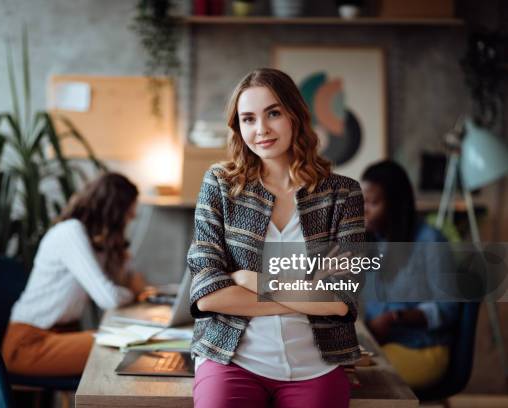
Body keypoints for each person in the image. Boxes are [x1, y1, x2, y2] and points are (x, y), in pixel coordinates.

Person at [187, 68, 365, 408]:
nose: (261, 129)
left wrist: (251, 280)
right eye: (248, 119)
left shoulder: (343, 194)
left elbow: (342, 298)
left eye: (273, 113)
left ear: (295, 115)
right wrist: (308, 296)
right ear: (238, 127)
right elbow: (207, 295)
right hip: (232, 359)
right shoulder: (222, 185)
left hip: (317, 364)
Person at [2, 172, 145, 376]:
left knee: (123, 345)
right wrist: (132, 292)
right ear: (114, 212)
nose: (128, 223)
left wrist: (118, 253)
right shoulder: (70, 232)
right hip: (28, 343)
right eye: (128, 216)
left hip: (60, 336)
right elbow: (110, 297)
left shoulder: (93, 242)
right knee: (120, 348)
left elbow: (123, 281)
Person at [362, 160, 459, 390]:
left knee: (358, 380)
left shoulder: (431, 242)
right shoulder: (373, 240)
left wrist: (394, 318)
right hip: (380, 345)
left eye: (372, 203)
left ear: (395, 206)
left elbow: (447, 310)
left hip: (422, 349)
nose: (362, 210)